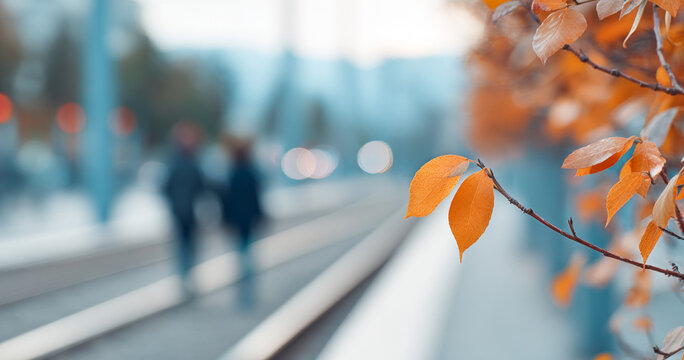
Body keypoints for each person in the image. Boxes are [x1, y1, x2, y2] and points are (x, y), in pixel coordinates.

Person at [163, 123, 204, 296]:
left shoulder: (176, 162)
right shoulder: (189, 163)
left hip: (184, 212)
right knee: (185, 246)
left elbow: (166, 187)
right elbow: (201, 186)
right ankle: (185, 278)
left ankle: (185, 278)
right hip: (184, 212)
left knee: (186, 246)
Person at [221, 141, 263, 308]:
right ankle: (248, 292)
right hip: (248, 221)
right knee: (248, 256)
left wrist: (226, 219)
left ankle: (244, 293)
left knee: (241, 256)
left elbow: (227, 201)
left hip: (237, 222)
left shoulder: (231, 175)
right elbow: (256, 199)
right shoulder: (252, 174)